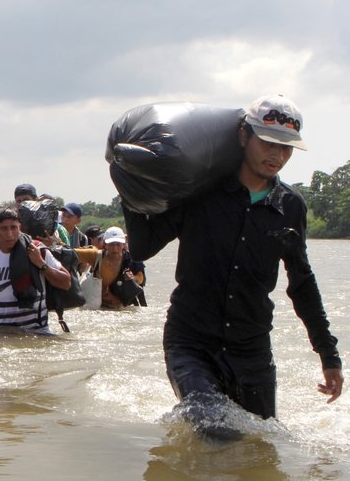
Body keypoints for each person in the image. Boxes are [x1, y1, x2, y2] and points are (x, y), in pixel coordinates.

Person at [123, 94, 343, 424]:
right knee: (212, 425)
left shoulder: (291, 206)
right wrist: (130, 187)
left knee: (262, 443)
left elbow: (302, 283)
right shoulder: (200, 192)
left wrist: (329, 355)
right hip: (191, 343)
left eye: (286, 148)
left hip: (251, 350)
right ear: (243, 136)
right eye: (268, 142)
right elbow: (143, 249)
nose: (277, 155)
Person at [0, 202, 72, 333]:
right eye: (3, 229)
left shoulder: (37, 249)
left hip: (38, 332)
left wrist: (41, 263)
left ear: (20, 228)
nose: (10, 234)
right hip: (3, 332)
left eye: (13, 228)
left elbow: (66, 283)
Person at [93, 227, 146, 308]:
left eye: (118, 244)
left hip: (127, 303)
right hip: (103, 303)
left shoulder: (133, 259)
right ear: (105, 244)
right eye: (111, 244)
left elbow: (141, 278)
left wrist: (133, 278)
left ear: (124, 244)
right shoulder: (96, 257)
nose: (115, 249)